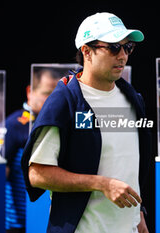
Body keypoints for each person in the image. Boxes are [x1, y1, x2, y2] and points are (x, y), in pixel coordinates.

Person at [21, 12, 152, 233]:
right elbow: (37, 174)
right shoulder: (65, 101)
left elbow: (129, 167)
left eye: (127, 47)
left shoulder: (134, 100)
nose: (122, 56)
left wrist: (138, 216)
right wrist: (102, 183)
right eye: (113, 47)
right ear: (86, 51)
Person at [0, 68, 59, 233]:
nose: (52, 100)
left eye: (56, 94)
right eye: (46, 93)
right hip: (19, 223)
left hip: (51, 219)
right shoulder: (15, 125)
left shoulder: (59, 123)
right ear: (30, 91)